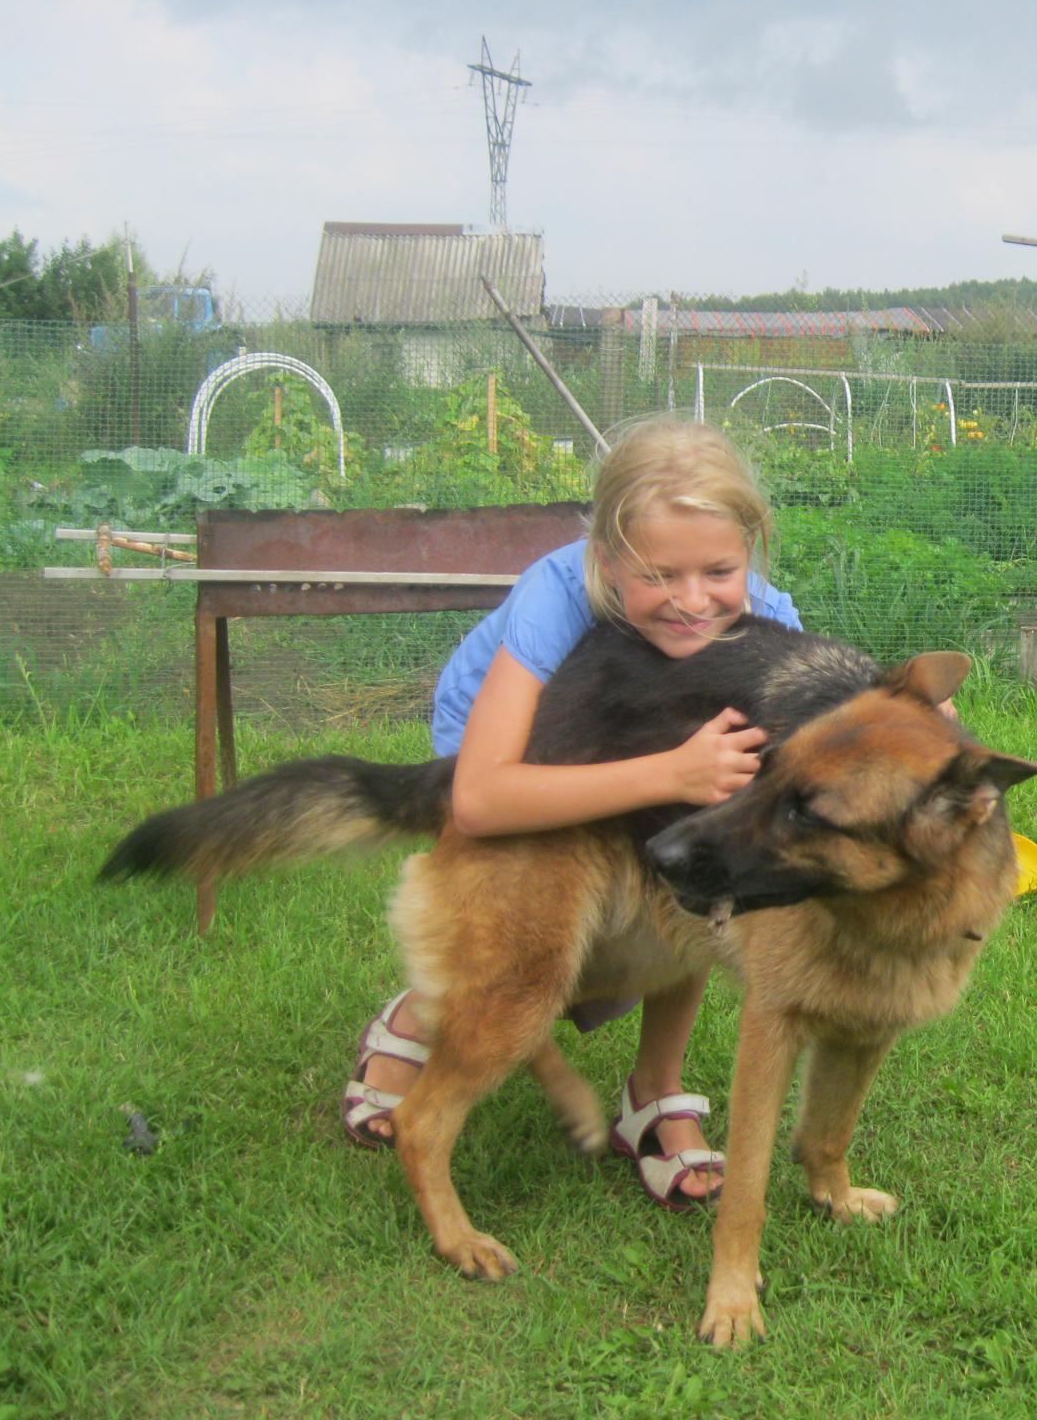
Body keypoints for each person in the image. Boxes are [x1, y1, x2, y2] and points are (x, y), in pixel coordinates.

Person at [341, 418, 799, 1210]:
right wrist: (671, 771)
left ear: (750, 552)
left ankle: (655, 1088)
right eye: (660, 575)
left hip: (653, 742)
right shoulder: (556, 595)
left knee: (705, 858)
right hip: (511, 751)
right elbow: (481, 800)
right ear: (607, 558)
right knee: (524, 938)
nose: (695, 601)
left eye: (720, 571)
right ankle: (425, 1013)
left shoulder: (764, 612)